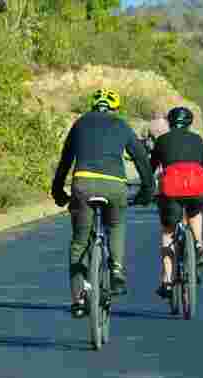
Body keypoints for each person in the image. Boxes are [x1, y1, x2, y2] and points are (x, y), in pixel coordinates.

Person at [51, 88, 155, 318]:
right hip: (115, 186)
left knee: (79, 242)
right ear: (115, 108)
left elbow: (66, 159)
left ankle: (78, 300)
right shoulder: (121, 125)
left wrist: (57, 190)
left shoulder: (79, 123)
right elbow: (140, 158)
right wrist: (148, 189)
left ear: (92, 106)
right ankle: (116, 270)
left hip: (83, 184)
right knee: (116, 225)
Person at [149, 106, 203, 299]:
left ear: (170, 122)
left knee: (168, 230)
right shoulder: (197, 139)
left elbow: (151, 168)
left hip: (172, 188)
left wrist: (148, 189)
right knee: (195, 212)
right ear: (189, 123)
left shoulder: (162, 140)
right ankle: (199, 246)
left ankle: (167, 280)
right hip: (197, 186)